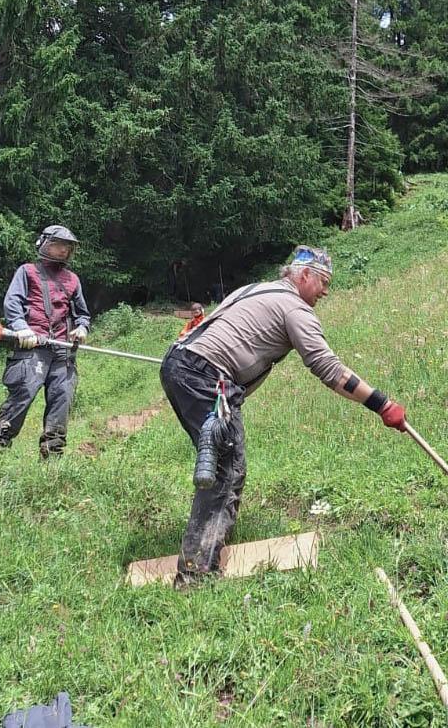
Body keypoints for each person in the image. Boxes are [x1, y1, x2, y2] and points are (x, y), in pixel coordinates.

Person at [159, 245, 408, 587]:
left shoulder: (260, 289)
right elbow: (328, 369)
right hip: (206, 377)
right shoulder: (294, 308)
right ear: (304, 275)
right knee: (225, 470)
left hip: (180, 365)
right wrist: (382, 405)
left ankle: (207, 552)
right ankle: (196, 574)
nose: (326, 291)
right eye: (323, 281)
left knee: (222, 463)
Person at [0, 225, 91, 458]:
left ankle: (52, 453)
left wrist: (82, 328)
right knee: (23, 393)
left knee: (61, 399)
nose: (62, 250)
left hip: (62, 351)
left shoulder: (73, 280)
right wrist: (22, 328)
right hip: (32, 346)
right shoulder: (27, 271)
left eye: (67, 247)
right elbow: (13, 303)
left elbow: (82, 313)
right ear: (43, 244)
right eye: (57, 244)